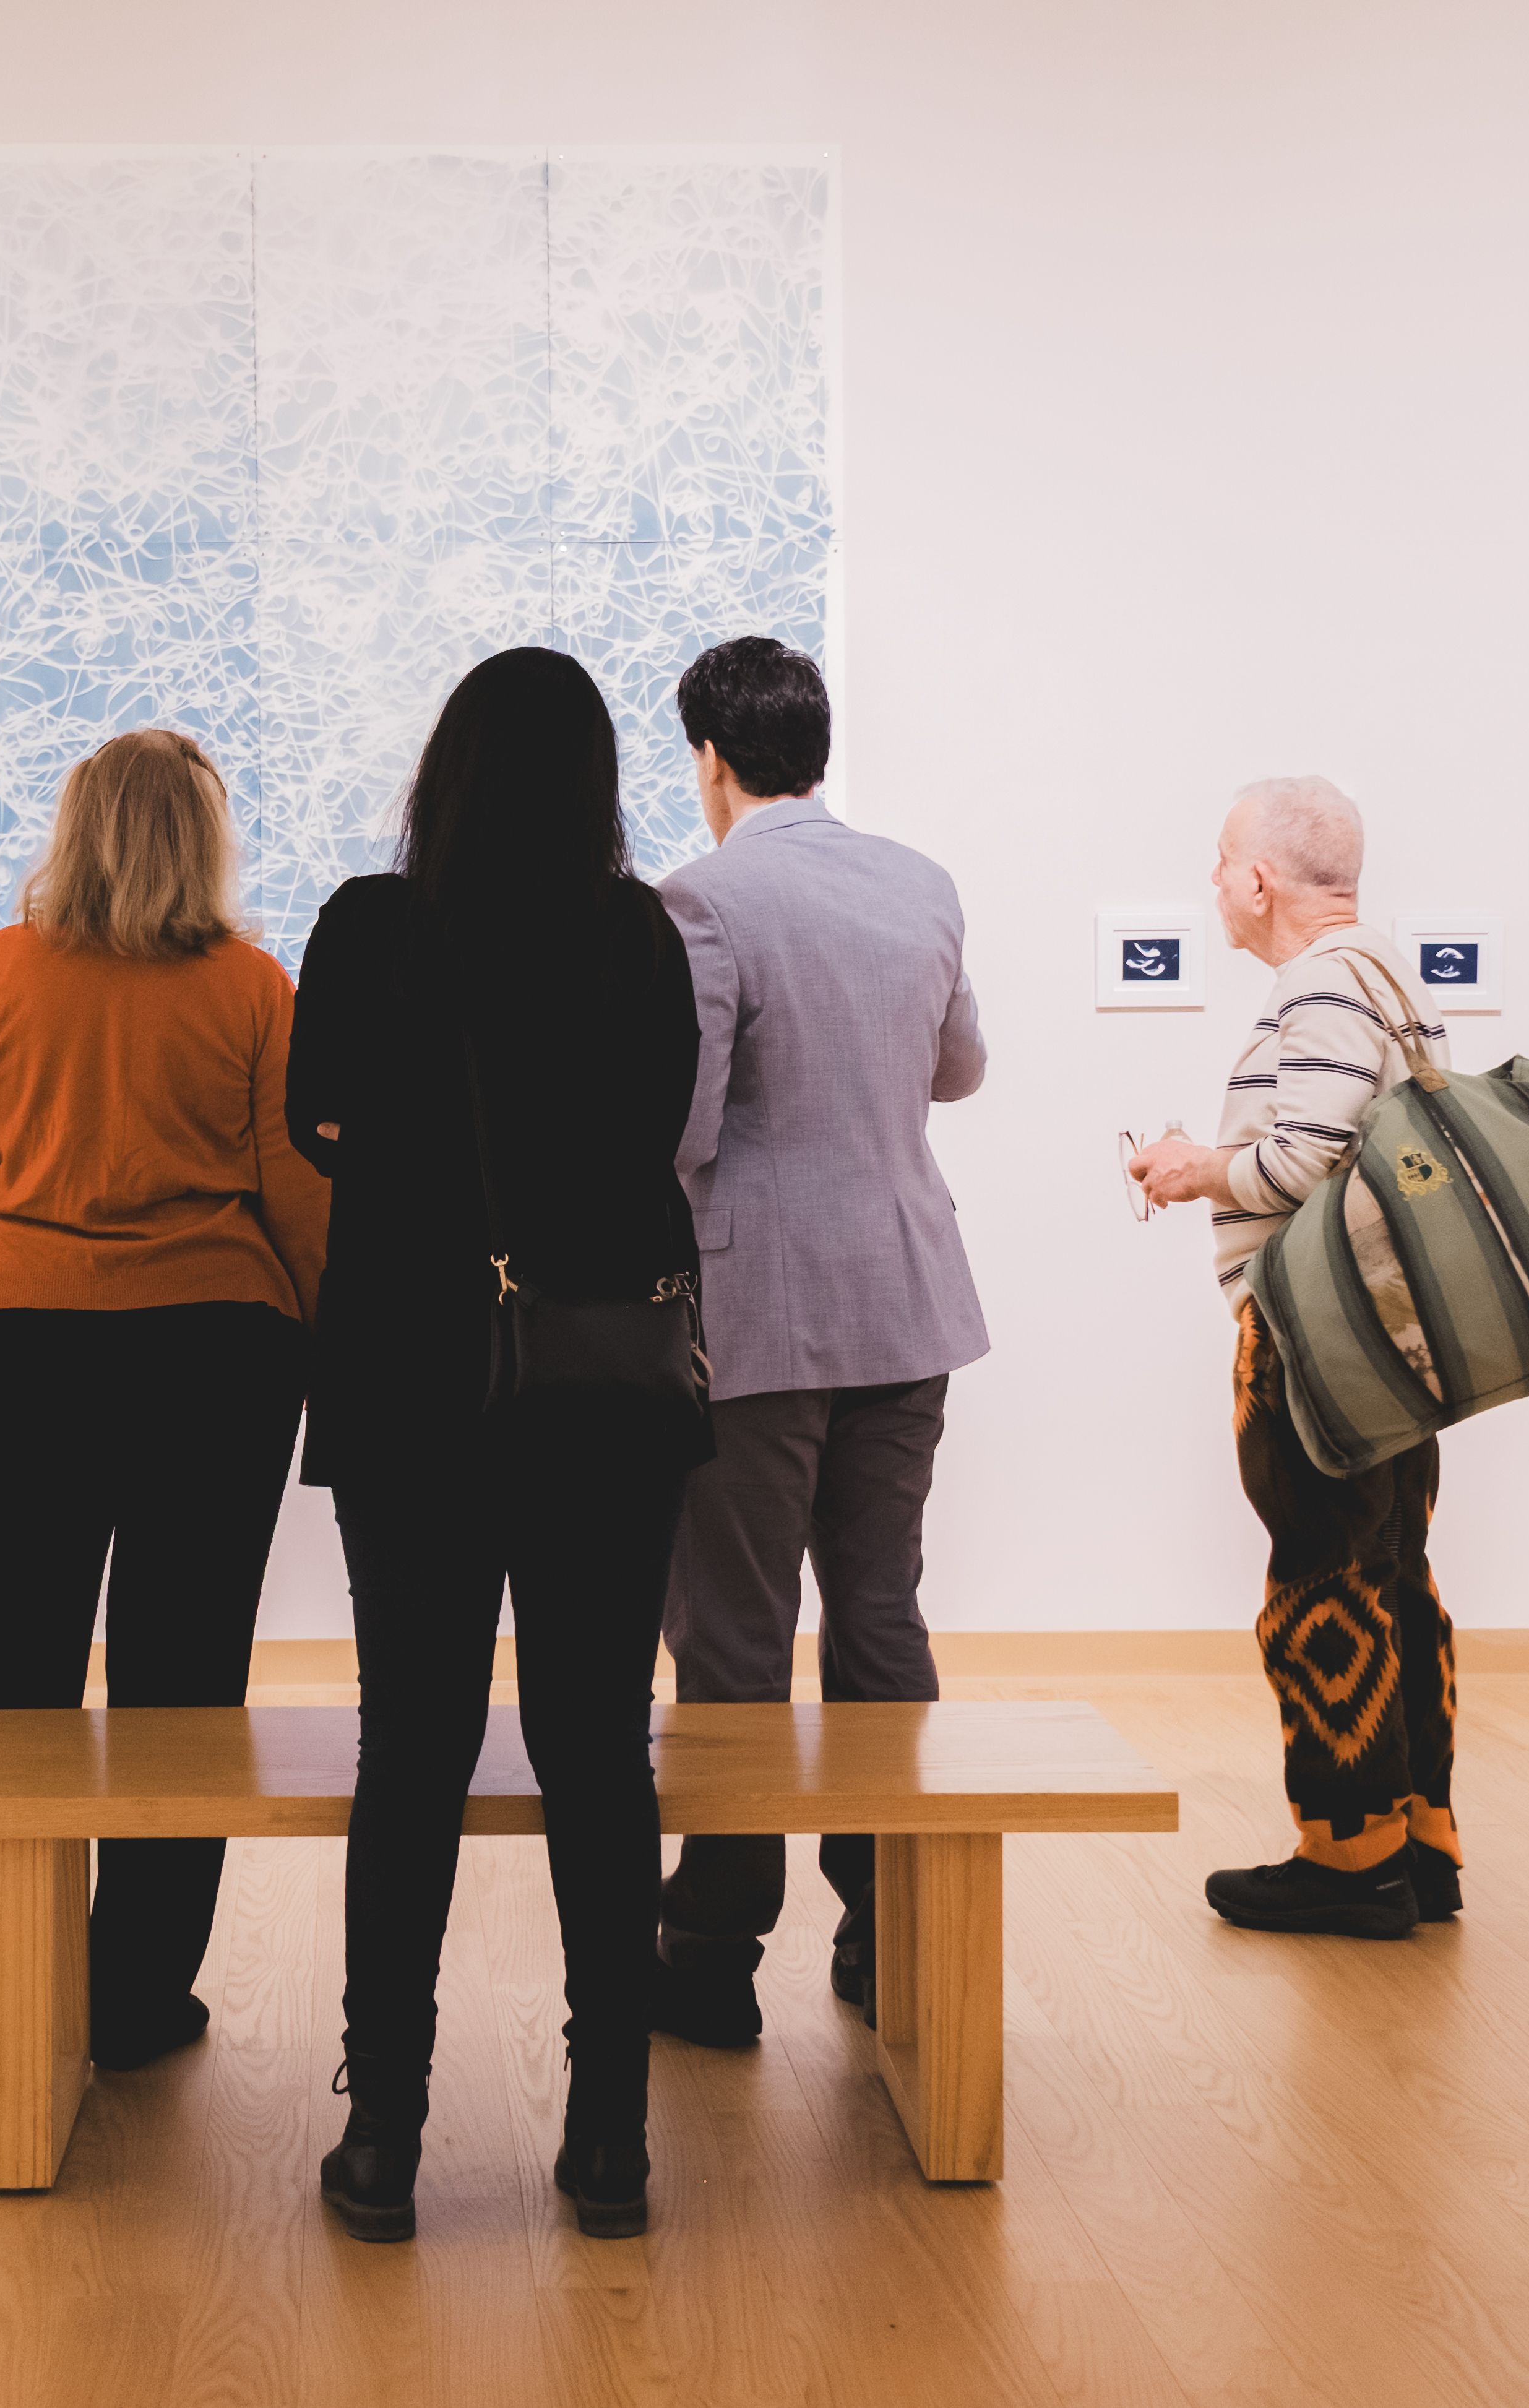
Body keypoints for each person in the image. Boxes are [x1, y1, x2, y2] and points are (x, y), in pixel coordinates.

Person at [290, 647, 708, 2245]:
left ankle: (384, 2136)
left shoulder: (367, 926)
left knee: (410, 1747)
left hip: (409, 1386)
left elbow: (314, 1120)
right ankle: (610, 2140)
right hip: (601, 1391)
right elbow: (663, 1125)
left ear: (444, 773)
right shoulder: (638, 934)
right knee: (600, 1746)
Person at [0, 729, 327, 2069]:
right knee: (182, 1677)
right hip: (215, 1350)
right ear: (205, 841)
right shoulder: (254, 987)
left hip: (17, 1343)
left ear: (73, 830)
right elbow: (300, 1198)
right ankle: (133, 1992)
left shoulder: (1, 968)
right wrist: (324, 1336)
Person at [643, 637, 989, 2047]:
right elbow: (959, 1068)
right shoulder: (921, 881)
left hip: (759, 1314)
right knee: (880, 1611)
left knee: (733, 1633)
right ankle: (889, 1928)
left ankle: (715, 1949)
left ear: (711, 760)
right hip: (906, 1298)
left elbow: (682, 1125)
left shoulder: (704, 898)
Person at [1128, 776, 1458, 1941]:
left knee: (1320, 1576)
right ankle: (1419, 1843)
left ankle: (1347, 1855)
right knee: (1394, 1571)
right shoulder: (1383, 973)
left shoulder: (1318, 983)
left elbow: (1306, 1156)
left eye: (1222, 860)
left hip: (1321, 1335)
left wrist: (1192, 1168)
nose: (1214, 882)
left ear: (1260, 880)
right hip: (1398, 1331)